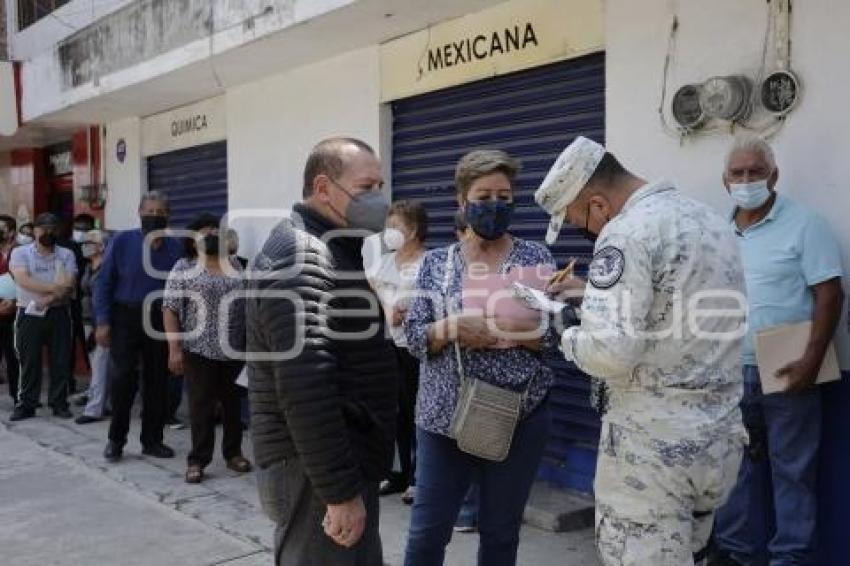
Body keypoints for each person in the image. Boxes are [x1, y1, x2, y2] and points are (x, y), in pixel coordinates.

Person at [535, 136, 748, 566]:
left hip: (651, 454)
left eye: (580, 221)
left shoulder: (625, 232)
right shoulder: (711, 221)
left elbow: (609, 353)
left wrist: (563, 327)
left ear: (598, 204)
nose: (588, 232)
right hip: (716, 439)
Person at [247, 137, 399, 565]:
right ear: (323, 188)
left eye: (380, 186)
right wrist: (339, 491)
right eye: (367, 186)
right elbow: (305, 383)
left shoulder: (329, 250)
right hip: (314, 469)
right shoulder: (304, 255)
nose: (378, 199)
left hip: (332, 460)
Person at [403, 149, 557, 566]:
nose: (495, 205)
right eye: (484, 195)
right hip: (443, 418)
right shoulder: (437, 263)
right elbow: (413, 336)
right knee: (427, 535)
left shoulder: (535, 258)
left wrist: (509, 331)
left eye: (504, 197)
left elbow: (557, 339)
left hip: (517, 415)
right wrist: (451, 327)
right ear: (462, 201)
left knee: (501, 533)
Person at [710, 135, 844, 566]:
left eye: (756, 172)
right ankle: (736, 554)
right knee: (734, 469)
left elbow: (830, 294)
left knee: (793, 470)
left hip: (788, 365)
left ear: (774, 176)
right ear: (725, 180)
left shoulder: (806, 224)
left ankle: (790, 557)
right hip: (729, 369)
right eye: (738, 173)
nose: (747, 180)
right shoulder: (716, 231)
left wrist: (811, 359)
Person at [163, 213, 252, 484]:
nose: (212, 234)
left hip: (235, 348)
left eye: (216, 230)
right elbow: (170, 309)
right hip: (198, 348)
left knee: (232, 405)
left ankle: (233, 453)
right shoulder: (183, 267)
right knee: (201, 406)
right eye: (205, 231)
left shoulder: (238, 265)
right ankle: (198, 459)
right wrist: (174, 349)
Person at [95, 192, 182, 462]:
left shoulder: (176, 246)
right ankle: (116, 440)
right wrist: (103, 321)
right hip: (126, 317)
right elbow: (104, 282)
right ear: (139, 212)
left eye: (160, 213)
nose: (154, 217)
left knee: (157, 382)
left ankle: (152, 440)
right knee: (122, 380)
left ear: (168, 217)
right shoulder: (122, 240)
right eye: (150, 212)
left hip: (160, 318)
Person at [366, 200, 428, 505]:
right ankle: (400, 472)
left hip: (417, 349)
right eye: (388, 226)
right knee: (396, 412)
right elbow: (375, 290)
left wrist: (402, 309)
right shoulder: (385, 262)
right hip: (388, 347)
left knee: (419, 412)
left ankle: (419, 477)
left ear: (414, 229)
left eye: (396, 226)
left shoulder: (429, 262)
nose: (389, 232)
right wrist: (389, 305)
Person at [8, 213, 77, 421]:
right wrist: (56, 288)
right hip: (28, 312)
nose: (48, 232)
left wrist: (47, 299)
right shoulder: (20, 253)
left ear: (58, 231)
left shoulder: (66, 254)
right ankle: (27, 404)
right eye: (43, 228)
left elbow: (70, 284)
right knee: (28, 360)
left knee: (61, 359)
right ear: (35, 230)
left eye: (52, 228)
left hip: (59, 313)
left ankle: (59, 403)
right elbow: (23, 280)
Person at [75, 230, 111, 424]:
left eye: (89, 242)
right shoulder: (90, 266)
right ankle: (102, 402)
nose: (84, 245)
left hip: (101, 322)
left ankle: (94, 409)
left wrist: (102, 325)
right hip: (87, 320)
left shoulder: (107, 268)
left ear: (101, 246)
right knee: (97, 364)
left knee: (100, 364)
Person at [0, 214, 20, 403]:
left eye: (2, 228)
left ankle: (17, 396)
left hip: (17, 309)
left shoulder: (21, 251)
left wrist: (13, 301)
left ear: (11, 232)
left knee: (14, 354)